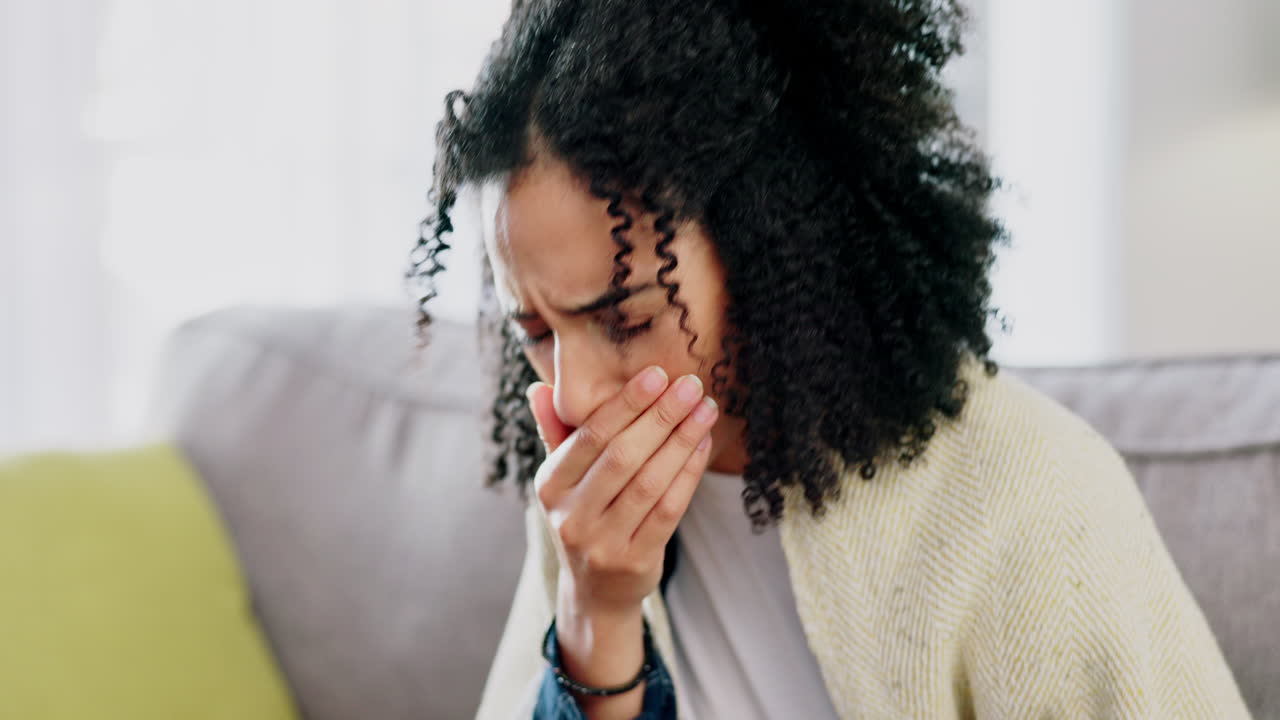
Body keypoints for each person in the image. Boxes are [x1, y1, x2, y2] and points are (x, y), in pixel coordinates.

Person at [406, 1, 1254, 718]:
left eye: (624, 319)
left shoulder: (1028, 502)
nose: (574, 394)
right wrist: (595, 620)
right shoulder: (588, 510)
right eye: (535, 330)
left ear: (767, 242)